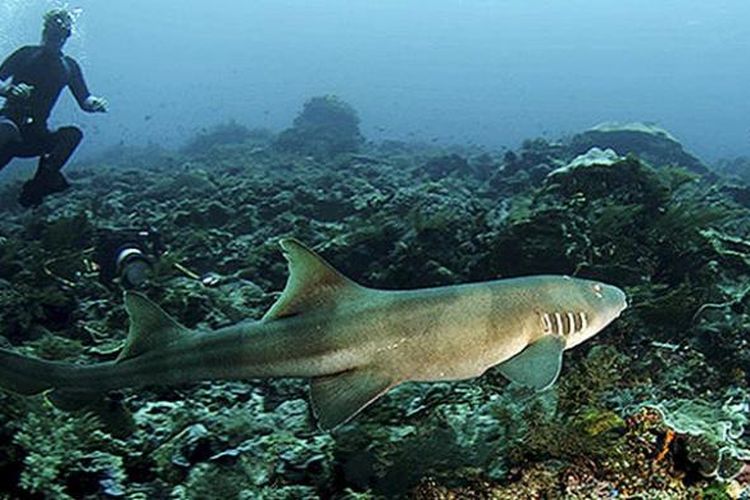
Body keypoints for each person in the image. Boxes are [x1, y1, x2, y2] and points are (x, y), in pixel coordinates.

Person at [0, 8, 107, 208]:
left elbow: (85, 98)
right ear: (44, 32)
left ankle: (39, 185)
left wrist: (94, 104)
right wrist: (8, 90)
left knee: (72, 135)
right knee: (7, 129)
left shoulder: (69, 66)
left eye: (59, 36)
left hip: (35, 134)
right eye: (50, 34)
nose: (53, 39)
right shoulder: (26, 54)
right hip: (7, 125)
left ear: (66, 37)